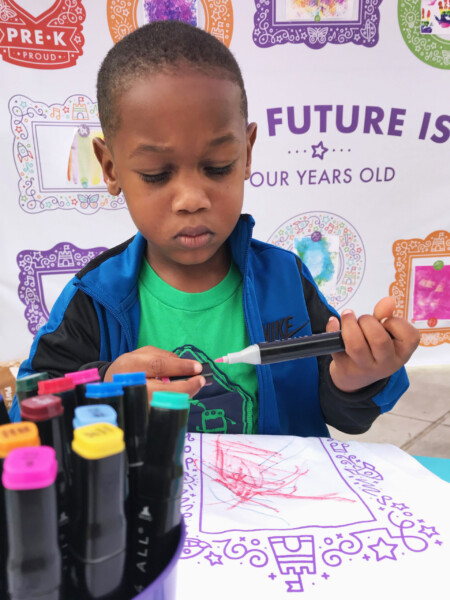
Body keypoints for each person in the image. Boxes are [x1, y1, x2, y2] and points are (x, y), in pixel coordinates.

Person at [10, 21, 420, 436]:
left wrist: (357, 377)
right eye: (156, 173)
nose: (191, 199)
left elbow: (346, 412)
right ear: (111, 168)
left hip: (282, 497)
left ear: (246, 154)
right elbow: (28, 413)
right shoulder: (95, 297)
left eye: (218, 167)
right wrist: (105, 392)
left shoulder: (284, 279)